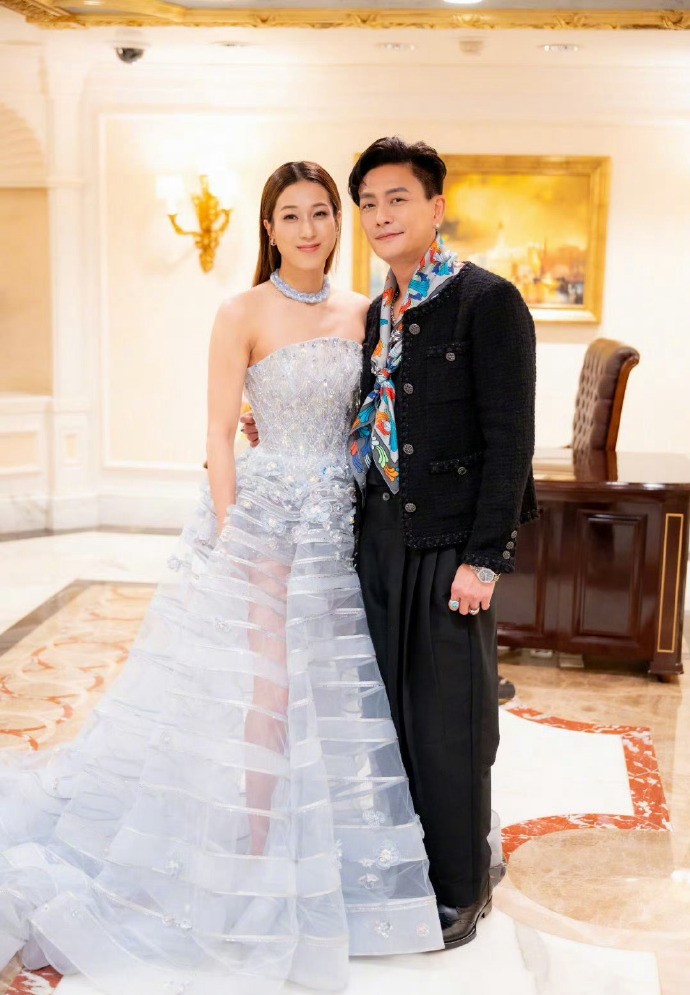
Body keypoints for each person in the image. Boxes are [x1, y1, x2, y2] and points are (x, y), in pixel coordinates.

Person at [0, 161, 443, 995]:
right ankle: (254, 858)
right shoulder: (241, 311)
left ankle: (323, 855)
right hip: (266, 518)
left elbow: (378, 420)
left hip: (339, 519)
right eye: (291, 215)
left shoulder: (366, 311)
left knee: (331, 690)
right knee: (269, 690)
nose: (308, 228)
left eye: (321, 213)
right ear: (268, 228)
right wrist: (235, 527)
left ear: (337, 224)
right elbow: (217, 432)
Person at [242, 137, 537, 948]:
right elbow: (374, 413)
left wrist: (485, 558)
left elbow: (511, 442)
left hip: (448, 544)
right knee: (394, 714)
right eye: (368, 202)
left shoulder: (487, 300)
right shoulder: (381, 311)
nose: (380, 215)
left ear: (436, 206)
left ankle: (462, 888)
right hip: (375, 536)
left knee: (452, 718)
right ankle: (416, 864)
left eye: (396, 198)